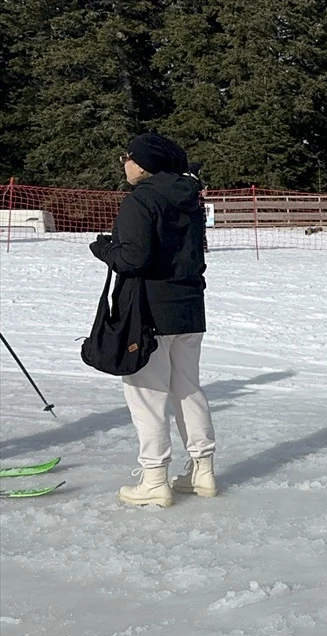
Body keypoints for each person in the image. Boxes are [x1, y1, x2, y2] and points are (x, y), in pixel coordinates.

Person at [89, 133, 217, 507]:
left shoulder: (141, 200)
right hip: (189, 308)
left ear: (143, 163)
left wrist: (103, 248)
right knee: (187, 390)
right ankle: (203, 471)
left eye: (126, 157)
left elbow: (134, 259)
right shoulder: (190, 199)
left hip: (147, 312)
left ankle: (154, 480)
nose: (122, 163)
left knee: (147, 396)